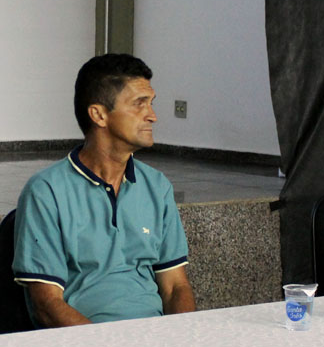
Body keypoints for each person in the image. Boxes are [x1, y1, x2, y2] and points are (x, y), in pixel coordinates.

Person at [13, 54, 196, 326]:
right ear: (99, 115)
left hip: (155, 338)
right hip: (85, 342)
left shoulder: (157, 187)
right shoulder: (46, 192)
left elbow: (175, 287)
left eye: (151, 103)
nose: (153, 116)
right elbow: (47, 305)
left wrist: (184, 337)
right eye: (139, 104)